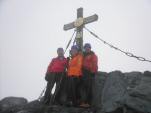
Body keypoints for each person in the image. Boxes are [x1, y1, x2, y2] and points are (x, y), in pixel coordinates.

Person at [80, 43, 98, 107]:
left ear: (90, 48)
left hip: (89, 72)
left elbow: (94, 63)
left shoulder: (93, 55)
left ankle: (88, 102)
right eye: (86, 47)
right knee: (82, 87)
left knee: (88, 87)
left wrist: (93, 72)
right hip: (82, 72)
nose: (87, 48)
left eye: (88, 47)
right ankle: (82, 102)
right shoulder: (83, 55)